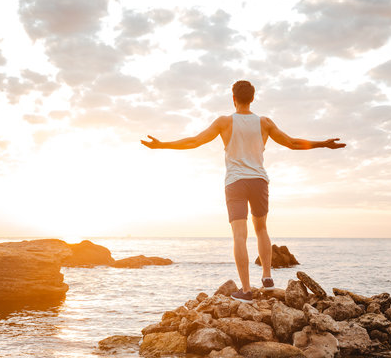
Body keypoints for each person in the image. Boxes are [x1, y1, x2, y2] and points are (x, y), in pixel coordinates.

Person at [141, 80, 346, 303]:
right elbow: (292, 143)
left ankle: (246, 290)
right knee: (262, 229)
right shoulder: (264, 122)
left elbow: (194, 142)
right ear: (253, 98)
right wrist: (323, 144)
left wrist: (161, 145)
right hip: (259, 181)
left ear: (233, 98)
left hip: (235, 182)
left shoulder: (224, 122)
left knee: (239, 235)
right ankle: (267, 277)